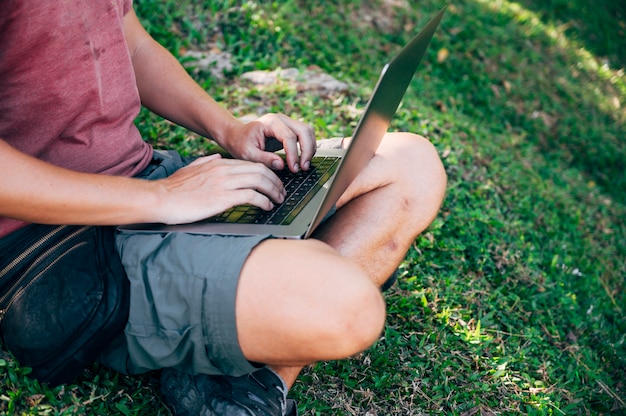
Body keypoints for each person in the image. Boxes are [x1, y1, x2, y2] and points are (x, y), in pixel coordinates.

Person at [0, 1, 446, 415]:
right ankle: (234, 336)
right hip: (55, 242)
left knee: (411, 164)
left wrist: (229, 130)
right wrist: (163, 198)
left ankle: (250, 385)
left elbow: (129, 40)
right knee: (349, 307)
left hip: (145, 182)